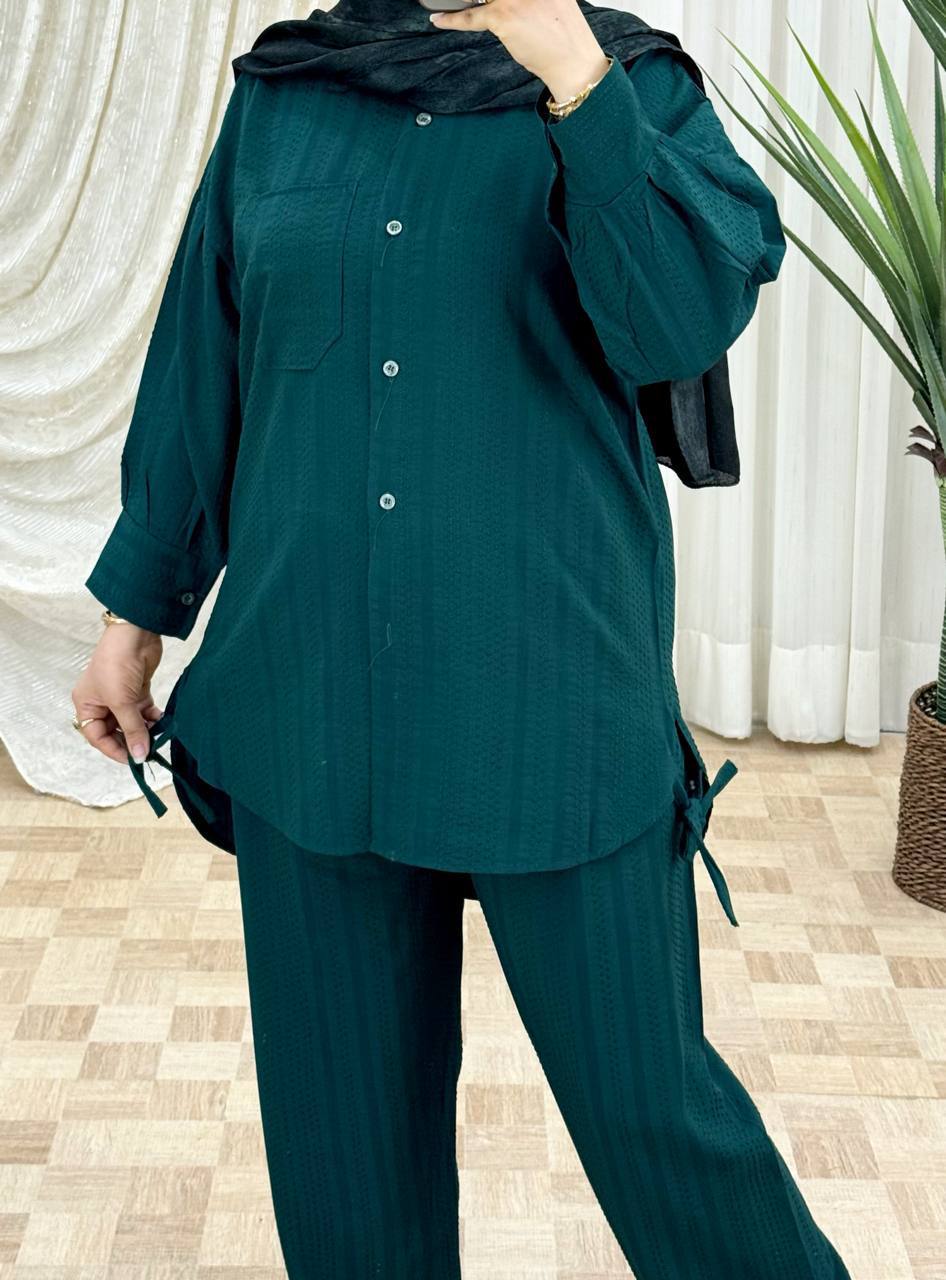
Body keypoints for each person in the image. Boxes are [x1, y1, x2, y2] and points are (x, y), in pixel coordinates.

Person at [72, 0, 853, 1275]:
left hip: (549, 714)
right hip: (309, 712)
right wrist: (134, 619)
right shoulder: (287, 94)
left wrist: (571, 78)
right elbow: (202, 367)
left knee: (660, 1121)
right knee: (345, 1165)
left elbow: (677, 321)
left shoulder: (633, 85)